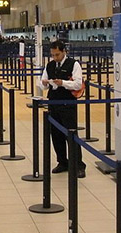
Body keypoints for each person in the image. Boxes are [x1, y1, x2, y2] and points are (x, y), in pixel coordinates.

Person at [38, 40, 86, 178]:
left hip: (68, 104)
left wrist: (63, 83)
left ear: (64, 51)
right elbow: (43, 84)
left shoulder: (73, 64)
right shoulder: (50, 65)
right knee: (56, 135)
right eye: (53, 55)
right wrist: (44, 83)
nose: (55, 57)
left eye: (57, 54)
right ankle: (62, 162)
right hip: (53, 103)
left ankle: (78, 165)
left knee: (71, 134)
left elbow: (78, 84)